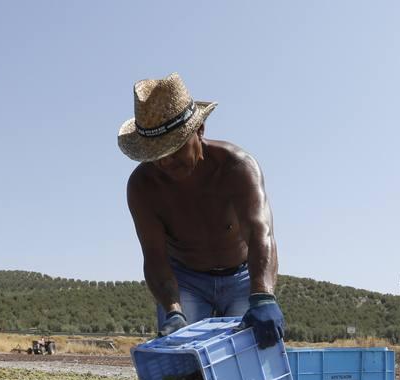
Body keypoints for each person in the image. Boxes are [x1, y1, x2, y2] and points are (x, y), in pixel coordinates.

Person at [119, 73, 284, 347]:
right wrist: (173, 310)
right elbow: (156, 257)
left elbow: (260, 234)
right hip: (186, 280)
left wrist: (263, 295)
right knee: (184, 363)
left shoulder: (237, 168)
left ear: (200, 131)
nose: (166, 162)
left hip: (242, 275)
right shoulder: (142, 187)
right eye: (156, 154)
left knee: (248, 355)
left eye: (175, 148)